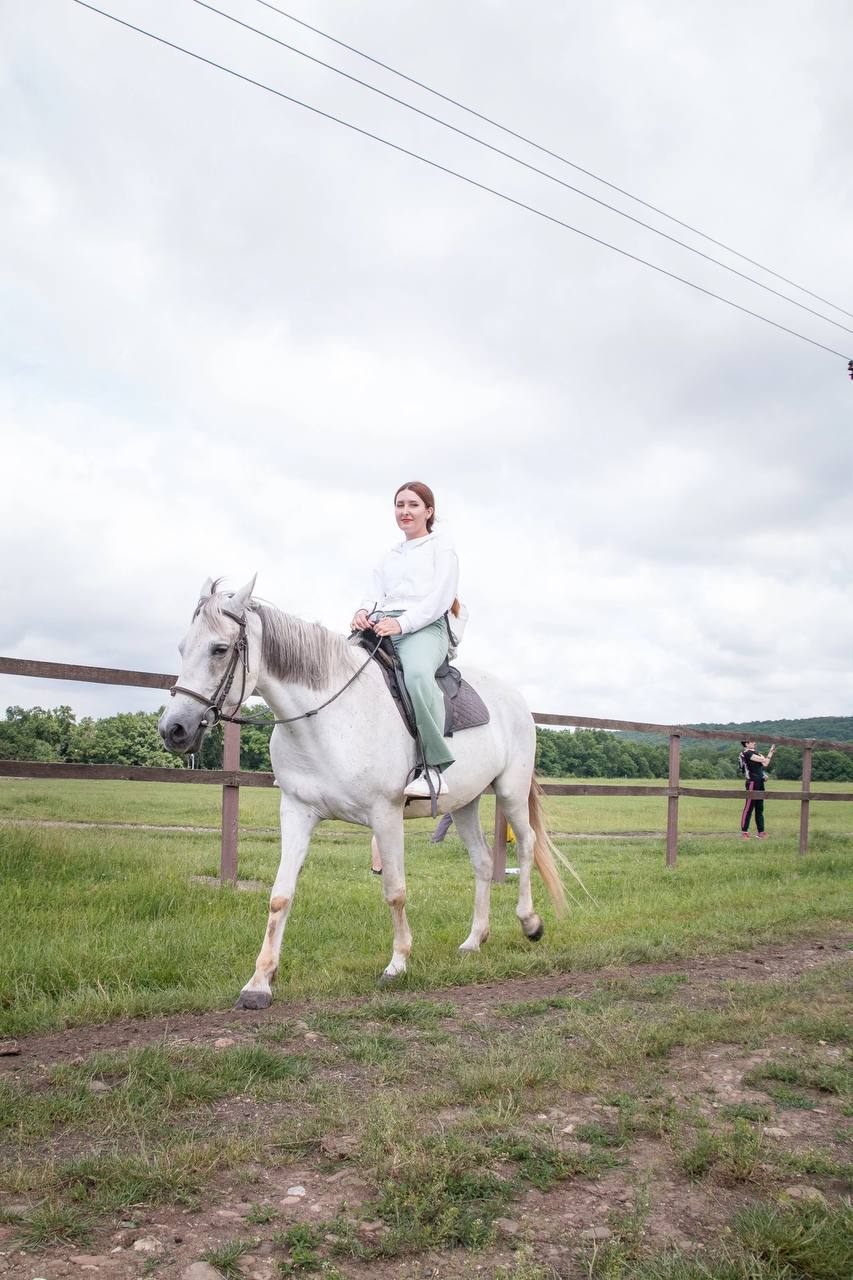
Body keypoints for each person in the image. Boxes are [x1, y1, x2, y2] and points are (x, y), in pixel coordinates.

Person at [351, 481, 460, 799]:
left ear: (429, 511)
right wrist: (362, 611)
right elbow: (374, 592)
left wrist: (402, 623)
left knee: (416, 675)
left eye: (413, 505)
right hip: (384, 622)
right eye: (400, 505)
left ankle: (433, 769)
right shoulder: (390, 555)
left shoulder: (443, 547)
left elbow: (440, 598)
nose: (405, 511)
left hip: (425, 627)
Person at [738, 738, 776, 839]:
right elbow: (763, 760)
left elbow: (765, 764)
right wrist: (766, 756)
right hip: (752, 782)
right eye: (752, 741)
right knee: (749, 808)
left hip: (760, 783)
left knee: (759, 808)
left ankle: (761, 832)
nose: (755, 743)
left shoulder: (756, 753)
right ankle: (744, 832)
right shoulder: (746, 753)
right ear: (746, 744)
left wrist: (770, 752)